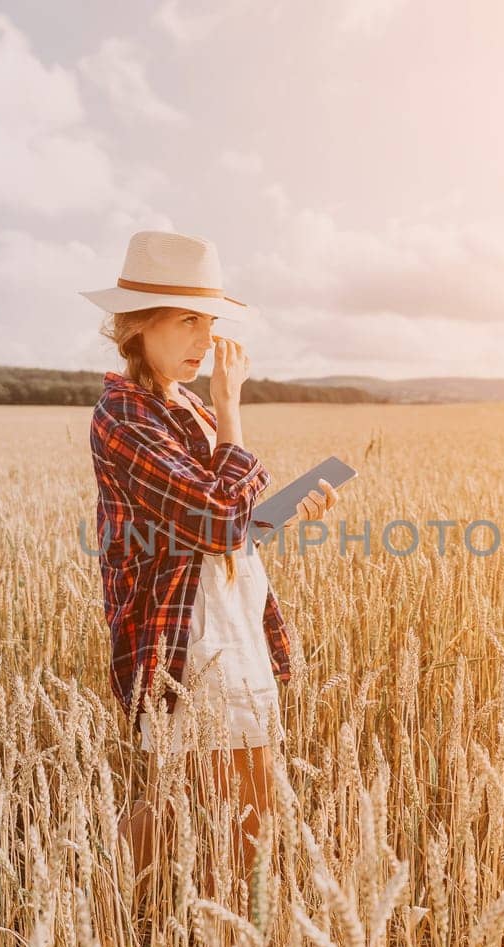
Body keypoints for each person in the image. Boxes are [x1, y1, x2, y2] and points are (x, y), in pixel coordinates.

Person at [81, 230, 340, 900]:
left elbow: (226, 527)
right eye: (187, 320)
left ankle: (107, 922)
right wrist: (232, 409)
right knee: (237, 808)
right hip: (188, 636)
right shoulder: (125, 414)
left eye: (210, 321)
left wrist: (287, 509)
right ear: (139, 325)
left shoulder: (181, 404)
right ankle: (136, 930)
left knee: (188, 803)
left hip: (230, 619)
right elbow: (219, 520)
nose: (204, 339)